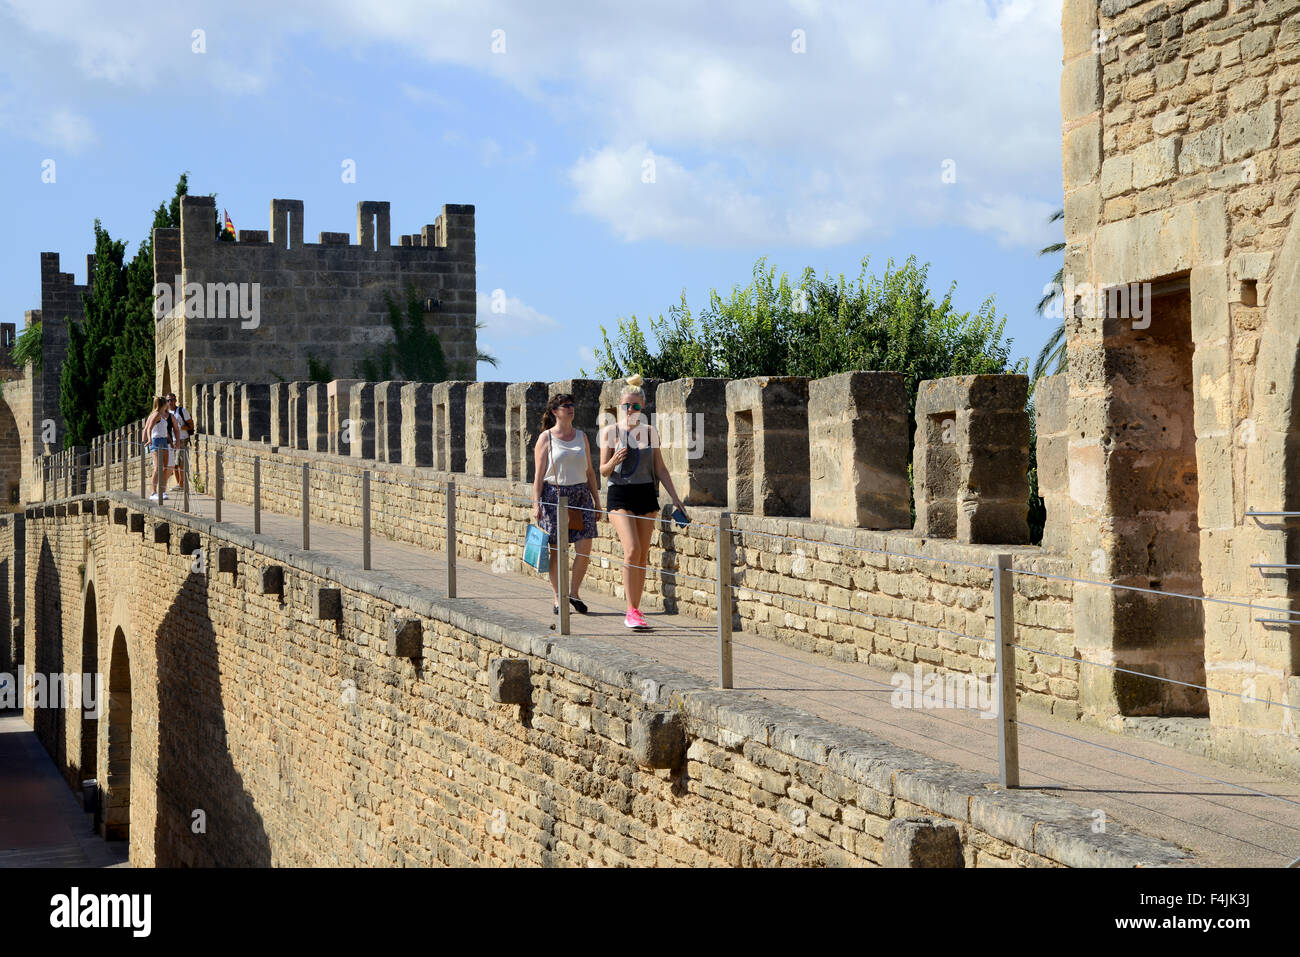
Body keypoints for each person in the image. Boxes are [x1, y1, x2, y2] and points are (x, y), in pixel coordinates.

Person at [599, 374, 688, 629]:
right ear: (619, 405)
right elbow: (603, 471)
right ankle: (630, 610)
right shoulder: (610, 432)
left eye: (635, 406)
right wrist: (614, 461)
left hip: (646, 493)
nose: (630, 410)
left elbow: (660, 469)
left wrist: (676, 498)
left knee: (643, 554)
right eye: (626, 405)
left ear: (643, 407)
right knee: (632, 549)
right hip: (620, 495)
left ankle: (636, 610)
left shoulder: (650, 432)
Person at [532, 393, 601, 620]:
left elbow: (590, 471)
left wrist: (597, 501)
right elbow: (539, 475)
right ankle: (558, 597)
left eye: (572, 405)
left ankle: (573, 593)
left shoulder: (582, 436)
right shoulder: (546, 438)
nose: (571, 409)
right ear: (555, 412)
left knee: (585, 547)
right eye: (565, 406)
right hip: (555, 496)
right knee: (557, 551)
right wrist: (536, 503)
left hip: (581, 496)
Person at [141, 396, 176, 501]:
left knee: (165, 468)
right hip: (156, 441)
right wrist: (149, 439)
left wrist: (170, 442)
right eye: (167, 402)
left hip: (164, 441)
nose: (168, 404)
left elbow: (164, 430)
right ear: (163, 404)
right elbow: (149, 428)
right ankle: (153, 492)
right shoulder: (155, 415)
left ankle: (163, 491)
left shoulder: (162, 415)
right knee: (158, 468)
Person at [165, 393, 194, 494]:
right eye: (168, 400)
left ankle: (181, 484)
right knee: (173, 463)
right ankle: (179, 484)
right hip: (171, 440)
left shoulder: (182, 411)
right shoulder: (166, 413)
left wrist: (179, 428)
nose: (170, 402)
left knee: (179, 463)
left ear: (175, 400)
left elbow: (191, 425)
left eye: (172, 400)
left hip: (182, 438)